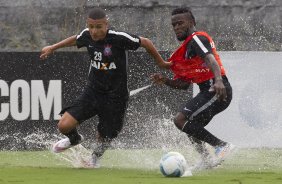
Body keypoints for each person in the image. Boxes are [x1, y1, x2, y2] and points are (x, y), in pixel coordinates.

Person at [40, 7, 170, 168]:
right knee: (64, 125)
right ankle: (75, 139)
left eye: (98, 27)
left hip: (116, 96)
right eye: (91, 26)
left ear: (106, 25)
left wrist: (161, 62)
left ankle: (95, 159)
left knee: (106, 134)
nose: (94, 31)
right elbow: (76, 39)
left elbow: (146, 42)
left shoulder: (118, 38)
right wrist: (52, 47)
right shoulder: (87, 35)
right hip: (93, 92)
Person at [151, 7, 234, 169]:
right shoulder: (185, 51)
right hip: (208, 90)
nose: (176, 27)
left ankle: (221, 146)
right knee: (190, 125)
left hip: (216, 88)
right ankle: (207, 160)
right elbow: (183, 85)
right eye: (174, 25)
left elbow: (210, 58)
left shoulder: (197, 38)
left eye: (180, 23)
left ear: (192, 22)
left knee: (180, 119)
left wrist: (218, 81)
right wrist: (165, 80)